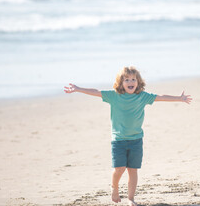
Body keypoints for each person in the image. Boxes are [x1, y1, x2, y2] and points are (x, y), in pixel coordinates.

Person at [64, 66, 192, 206]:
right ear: (121, 83)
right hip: (118, 140)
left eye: (133, 79)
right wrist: (78, 89)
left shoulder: (142, 96)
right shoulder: (114, 96)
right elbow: (96, 92)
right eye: (126, 80)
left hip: (136, 140)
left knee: (133, 171)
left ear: (138, 82)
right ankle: (115, 187)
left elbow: (160, 97)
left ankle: (131, 199)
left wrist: (179, 98)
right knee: (119, 169)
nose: (130, 82)